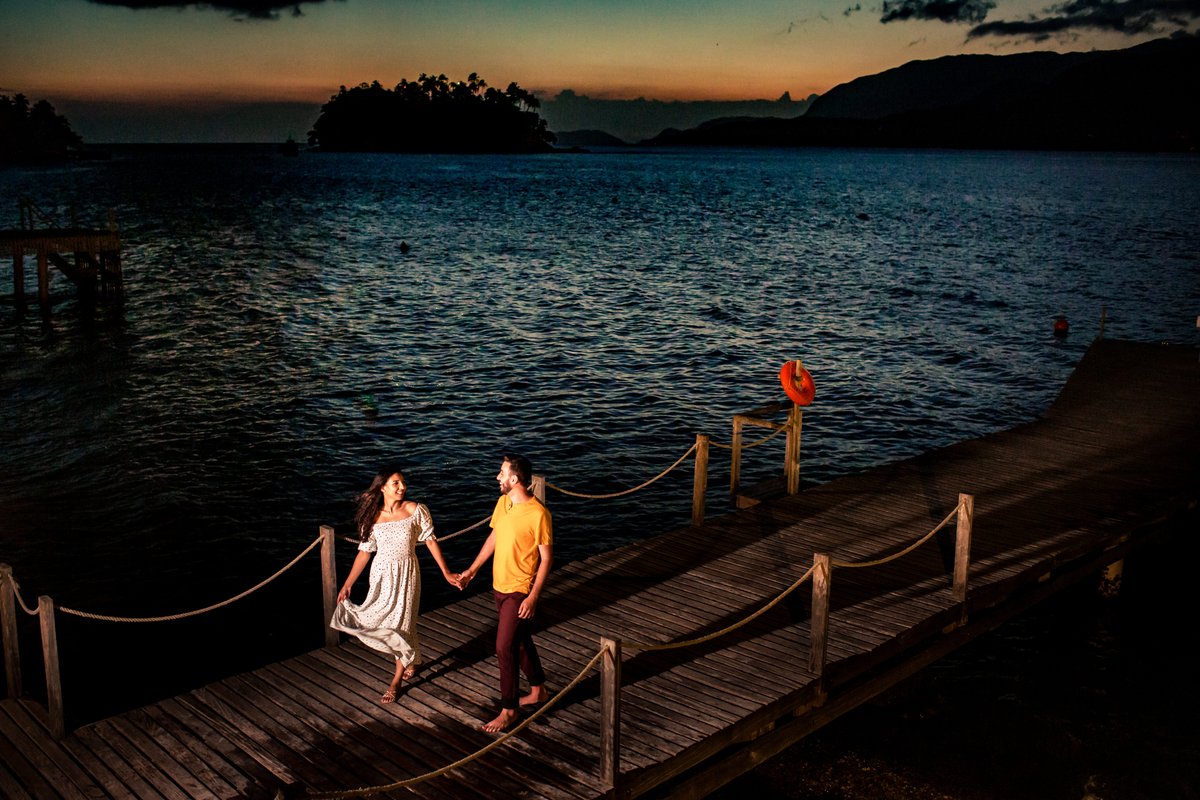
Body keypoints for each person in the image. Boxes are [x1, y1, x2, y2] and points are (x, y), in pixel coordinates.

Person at [330, 467, 458, 703]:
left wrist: (446, 572)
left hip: (408, 574)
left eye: (403, 483)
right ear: (382, 487)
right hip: (381, 576)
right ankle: (415, 660)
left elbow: (430, 541)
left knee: (402, 623)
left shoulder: (415, 510)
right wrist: (348, 584)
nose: (402, 487)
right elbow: (364, 553)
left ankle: (396, 680)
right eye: (396, 483)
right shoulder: (371, 516)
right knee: (388, 621)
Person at [456, 453, 553, 732]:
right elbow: (495, 537)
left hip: (520, 591)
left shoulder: (539, 514)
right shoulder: (503, 503)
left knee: (503, 647)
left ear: (514, 478)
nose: (497, 477)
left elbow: (546, 559)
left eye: (501, 473)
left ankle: (509, 710)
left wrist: (533, 596)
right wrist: (472, 571)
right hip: (499, 587)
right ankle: (538, 691)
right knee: (520, 641)